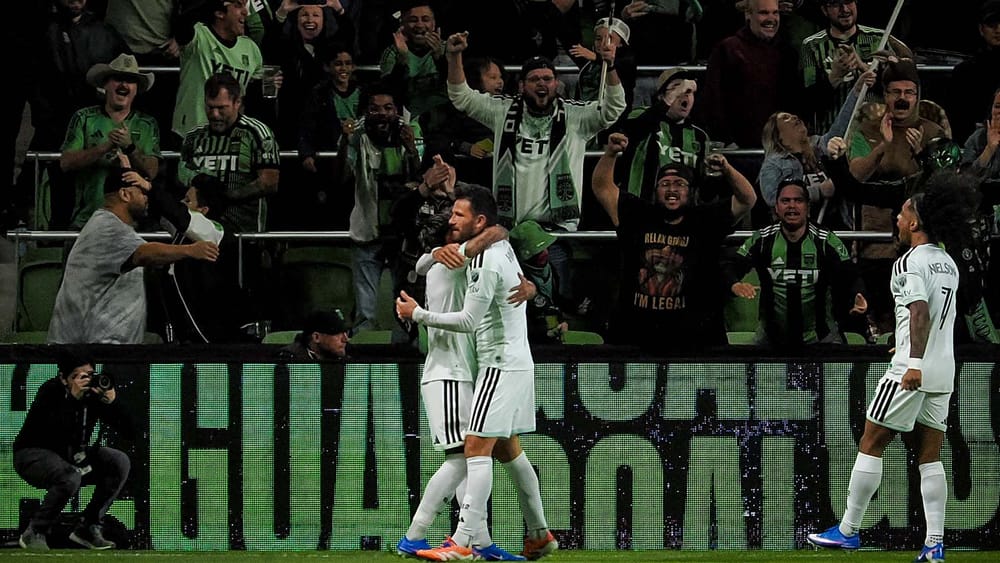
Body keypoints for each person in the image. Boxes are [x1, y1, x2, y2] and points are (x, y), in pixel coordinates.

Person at [806, 171, 982, 563]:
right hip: (943, 371)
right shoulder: (947, 262)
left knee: (871, 441)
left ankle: (848, 530)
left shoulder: (907, 262)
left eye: (902, 214)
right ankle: (934, 544)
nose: (898, 220)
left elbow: (919, 312)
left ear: (916, 222)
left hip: (912, 370)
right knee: (930, 455)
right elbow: (936, 318)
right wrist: (908, 348)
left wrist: (912, 360)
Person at [396, 185, 555, 561]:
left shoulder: (479, 255)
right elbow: (431, 260)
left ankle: (471, 541)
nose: (453, 224)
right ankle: (458, 538)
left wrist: (527, 285)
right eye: (449, 223)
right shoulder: (449, 261)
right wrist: (443, 250)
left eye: (458, 218)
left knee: (480, 453)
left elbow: (491, 239)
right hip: (456, 371)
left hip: (488, 367)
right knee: (472, 455)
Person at [445, 30, 626, 309]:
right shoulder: (502, 111)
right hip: (507, 232)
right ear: (521, 86)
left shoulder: (576, 117)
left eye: (547, 79)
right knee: (507, 306)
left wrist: (610, 66)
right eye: (534, 79)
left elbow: (614, 107)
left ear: (556, 84)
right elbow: (461, 97)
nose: (542, 84)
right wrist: (455, 56)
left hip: (554, 235)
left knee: (554, 307)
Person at [591, 132, 757, 350]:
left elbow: (747, 199)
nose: (672, 189)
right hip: (637, 334)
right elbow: (602, 187)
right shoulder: (638, 214)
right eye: (665, 184)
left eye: (679, 184)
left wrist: (726, 169)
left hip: (693, 337)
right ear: (655, 190)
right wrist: (611, 152)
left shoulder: (704, 219)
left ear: (690, 192)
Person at [47, 168, 220, 344]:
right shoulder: (106, 226)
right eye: (142, 193)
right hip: (89, 351)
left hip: (105, 348)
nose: (147, 198)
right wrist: (189, 250)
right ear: (125, 194)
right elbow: (144, 254)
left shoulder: (114, 227)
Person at [848, 58, 947, 337]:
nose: (902, 99)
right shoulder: (866, 130)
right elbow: (855, 177)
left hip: (919, 244)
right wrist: (883, 146)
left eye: (909, 93)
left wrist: (921, 157)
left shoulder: (933, 133)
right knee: (880, 321)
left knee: (916, 318)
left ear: (917, 96)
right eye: (895, 92)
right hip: (873, 242)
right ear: (885, 95)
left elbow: (944, 186)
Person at [722, 178, 867, 346]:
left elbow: (851, 275)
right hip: (771, 338)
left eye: (798, 200)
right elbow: (730, 266)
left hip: (820, 338)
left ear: (807, 207)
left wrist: (859, 296)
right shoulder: (762, 239)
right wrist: (734, 284)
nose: (792, 206)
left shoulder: (826, 240)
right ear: (776, 207)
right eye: (785, 201)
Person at [13, 351, 132, 551]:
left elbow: (131, 431)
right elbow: (56, 434)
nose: (86, 380)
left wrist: (113, 403)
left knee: (118, 461)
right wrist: (73, 399)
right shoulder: (50, 391)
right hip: (32, 455)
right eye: (79, 376)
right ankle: (35, 531)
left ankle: (88, 527)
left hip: (72, 458)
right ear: (63, 378)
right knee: (70, 476)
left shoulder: (93, 396)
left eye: (90, 374)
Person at [335, 80, 422, 339]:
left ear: (397, 110)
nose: (382, 114)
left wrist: (410, 148)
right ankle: (362, 350)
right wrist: (344, 143)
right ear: (366, 111)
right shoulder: (356, 133)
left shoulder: (412, 129)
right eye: (375, 109)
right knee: (366, 310)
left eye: (388, 108)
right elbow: (340, 178)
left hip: (404, 232)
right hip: (367, 228)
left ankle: (405, 348)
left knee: (404, 300)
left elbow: (422, 178)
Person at [757, 69, 875, 229]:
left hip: (836, 226)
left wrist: (857, 91)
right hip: (798, 232)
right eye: (786, 118)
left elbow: (841, 127)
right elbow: (772, 197)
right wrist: (818, 191)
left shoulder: (818, 147)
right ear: (779, 137)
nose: (793, 117)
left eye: (792, 115)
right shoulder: (773, 164)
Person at [57, 54, 162, 230]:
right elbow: (66, 163)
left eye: (130, 80)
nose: (124, 85)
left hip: (132, 224)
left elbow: (152, 171)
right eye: (118, 79)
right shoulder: (84, 118)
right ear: (105, 84)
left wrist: (129, 147)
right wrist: (104, 147)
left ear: (136, 89)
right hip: (86, 222)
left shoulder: (147, 124)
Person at [178, 72, 281, 234]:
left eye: (221, 108)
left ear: (237, 102)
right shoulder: (193, 138)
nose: (214, 114)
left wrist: (228, 197)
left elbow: (270, 182)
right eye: (210, 107)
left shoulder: (257, 133)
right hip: (198, 234)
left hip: (244, 233)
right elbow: (181, 175)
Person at [698, 0, 802, 148]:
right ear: (748, 14)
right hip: (739, 151)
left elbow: (796, 101)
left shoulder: (788, 53)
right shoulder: (728, 49)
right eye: (763, 13)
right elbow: (712, 101)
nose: (771, 19)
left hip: (779, 151)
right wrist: (726, 140)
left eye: (775, 12)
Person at [799, 0, 912, 133]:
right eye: (836, 4)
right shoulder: (811, 45)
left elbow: (901, 86)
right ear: (825, 10)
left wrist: (864, 68)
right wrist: (834, 77)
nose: (845, 9)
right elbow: (808, 103)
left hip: (876, 134)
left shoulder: (880, 38)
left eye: (848, 1)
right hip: (832, 137)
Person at [615, 67, 717, 205]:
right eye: (677, 87)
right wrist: (673, 95)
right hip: (641, 210)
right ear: (661, 96)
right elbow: (632, 131)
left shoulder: (700, 136)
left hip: (683, 217)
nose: (684, 93)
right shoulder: (641, 115)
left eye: (689, 91)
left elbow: (705, 191)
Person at [171, 0, 264, 144]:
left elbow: (253, 100)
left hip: (231, 138)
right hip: (190, 135)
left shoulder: (251, 49)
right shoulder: (198, 36)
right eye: (238, 5)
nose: (245, 12)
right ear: (219, 13)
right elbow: (181, 22)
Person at [944, 1, 1000, 143]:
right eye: (992, 24)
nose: (998, 29)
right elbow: (957, 119)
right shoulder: (964, 72)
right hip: (976, 147)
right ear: (981, 29)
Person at [278, 309, 351, 360]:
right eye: (337, 334)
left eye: (346, 332)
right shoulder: (290, 360)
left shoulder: (349, 354)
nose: (345, 339)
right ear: (316, 337)